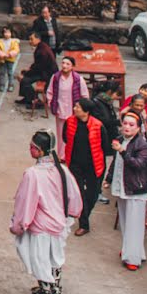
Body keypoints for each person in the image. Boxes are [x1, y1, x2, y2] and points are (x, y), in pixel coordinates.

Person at [10, 129, 82, 294]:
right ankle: (56, 290)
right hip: (59, 224)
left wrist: (19, 224)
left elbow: (25, 203)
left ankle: (45, 293)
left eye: (32, 147)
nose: (30, 149)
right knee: (55, 258)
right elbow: (74, 197)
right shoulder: (62, 170)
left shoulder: (32, 174)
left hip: (41, 226)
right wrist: (72, 215)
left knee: (40, 259)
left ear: (40, 151)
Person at [103, 112, 147, 270]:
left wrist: (122, 151)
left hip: (136, 189)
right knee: (125, 221)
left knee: (134, 224)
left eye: (131, 125)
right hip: (123, 187)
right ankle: (130, 251)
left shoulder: (142, 145)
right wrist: (109, 178)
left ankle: (133, 258)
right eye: (125, 123)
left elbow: (138, 164)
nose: (127, 127)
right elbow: (116, 163)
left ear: (138, 128)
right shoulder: (120, 140)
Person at [62, 99, 110, 236]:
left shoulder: (98, 126)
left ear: (86, 111)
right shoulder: (69, 122)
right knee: (79, 194)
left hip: (94, 165)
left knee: (93, 194)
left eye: (78, 107)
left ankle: (84, 213)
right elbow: (65, 138)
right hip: (75, 164)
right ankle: (84, 224)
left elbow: (105, 147)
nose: (75, 108)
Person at [47, 56, 89, 149]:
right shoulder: (55, 77)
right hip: (60, 110)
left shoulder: (78, 79)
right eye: (63, 63)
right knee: (61, 134)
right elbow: (50, 92)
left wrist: (81, 110)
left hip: (73, 112)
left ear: (72, 66)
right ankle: (61, 156)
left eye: (67, 64)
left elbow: (85, 96)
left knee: (72, 135)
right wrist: (51, 104)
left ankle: (71, 155)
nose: (64, 66)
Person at [89, 80, 121, 206]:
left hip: (105, 139)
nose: (117, 97)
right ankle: (95, 192)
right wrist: (117, 122)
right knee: (98, 167)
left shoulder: (106, 102)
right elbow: (102, 121)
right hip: (99, 141)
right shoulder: (97, 103)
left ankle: (96, 191)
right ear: (109, 92)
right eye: (116, 94)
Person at [15, 32, 58, 106]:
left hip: (48, 74)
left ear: (38, 39)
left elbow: (38, 68)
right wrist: (29, 69)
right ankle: (27, 98)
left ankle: (35, 100)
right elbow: (37, 64)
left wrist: (26, 73)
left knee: (25, 80)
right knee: (23, 75)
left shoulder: (42, 51)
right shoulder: (41, 46)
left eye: (32, 39)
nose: (30, 41)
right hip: (43, 71)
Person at [0, 27, 20, 93]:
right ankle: (1, 85)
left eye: (8, 32)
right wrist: (1, 54)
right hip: (2, 59)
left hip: (10, 59)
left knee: (10, 72)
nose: (7, 34)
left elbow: (16, 49)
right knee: (2, 72)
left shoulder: (14, 41)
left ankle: (11, 85)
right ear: (3, 33)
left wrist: (10, 54)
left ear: (11, 33)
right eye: (5, 32)